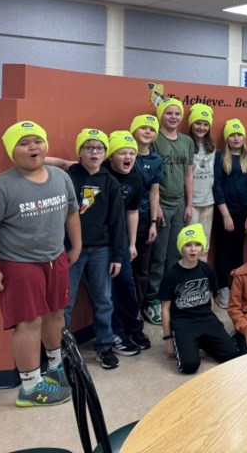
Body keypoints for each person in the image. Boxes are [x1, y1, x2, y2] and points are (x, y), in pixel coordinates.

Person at [0, 120, 80, 407]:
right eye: (23, 143)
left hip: (55, 259)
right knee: (29, 322)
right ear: (11, 151)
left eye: (37, 141)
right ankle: (30, 387)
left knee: (57, 313)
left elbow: (72, 212)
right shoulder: (0, 186)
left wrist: (77, 245)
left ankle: (55, 367)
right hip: (19, 264)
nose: (33, 147)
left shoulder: (60, 177)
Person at [63, 128, 126, 370]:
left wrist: (117, 255)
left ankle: (104, 347)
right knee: (65, 302)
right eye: (88, 147)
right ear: (79, 152)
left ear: (105, 153)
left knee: (103, 300)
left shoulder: (109, 181)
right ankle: (62, 352)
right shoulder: (69, 176)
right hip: (71, 250)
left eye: (99, 148)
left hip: (102, 250)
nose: (94, 152)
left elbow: (117, 221)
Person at [159, 224, 240, 374]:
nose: (193, 249)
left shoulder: (208, 269)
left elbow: (210, 298)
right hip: (183, 323)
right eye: (188, 245)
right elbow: (165, 309)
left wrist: (213, 325)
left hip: (206, 319)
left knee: (232, 355)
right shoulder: (171, 274)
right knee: (189, 366)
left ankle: (202, 340)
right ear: (181, 247)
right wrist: (168, 339)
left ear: (202, 247)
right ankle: (191, 342)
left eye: (197, 244)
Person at [144, 98, 194, 327]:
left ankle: (170, 294)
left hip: (180, 204)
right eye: (169, 113)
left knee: (175, 254)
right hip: (161, 205)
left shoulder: (187, 141)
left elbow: (188, 175)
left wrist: (190, 204)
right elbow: (148, 175)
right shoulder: (155, 140)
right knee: (159, 257)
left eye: (177, 114)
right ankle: (153, 300)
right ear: (161, 115)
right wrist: (155, 209)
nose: (173, 117)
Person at [103, 130, 150, 354]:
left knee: (126, 285)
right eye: (122, 152)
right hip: (99, 243)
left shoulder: (134, 177)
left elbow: (133, 212)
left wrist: (131, 244)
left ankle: (134, 327)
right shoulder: (99, 173)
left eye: (132, 153)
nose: (128, 157)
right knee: (106, 291)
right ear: (111, 155)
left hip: (121, 241)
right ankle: (117, 333)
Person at [212, 118, 247, 308]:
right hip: (224, 212)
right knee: (223, 250)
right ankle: (223, 288)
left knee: (238, 251)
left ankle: (237, 287)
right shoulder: (219, 157)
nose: (236, 138)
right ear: (226, 138)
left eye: (239, 134)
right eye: (232, 135)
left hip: (244, 212)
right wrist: (225, 215)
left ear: (244, 137)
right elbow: (217, 187)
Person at [127, 114, 163, 324]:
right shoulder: (124, 155)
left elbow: (154, 193)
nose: (148, 132)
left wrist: (153, 223)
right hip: (124, 221)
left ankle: (138, 310)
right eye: (143, 128)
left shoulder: (156, 160)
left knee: (142, 268)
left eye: (152, 129)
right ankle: (124, 312)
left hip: (144, 220)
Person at [187, 103, 216, 258]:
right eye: (198, 123)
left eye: (205, 124)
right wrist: (188, 203)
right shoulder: (186, 143)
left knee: (204, 244)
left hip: (209, 202)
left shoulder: (212, 146)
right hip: (191, 203)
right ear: (191, 124)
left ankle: (202, 277)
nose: (201, 127)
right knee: (190, 243)